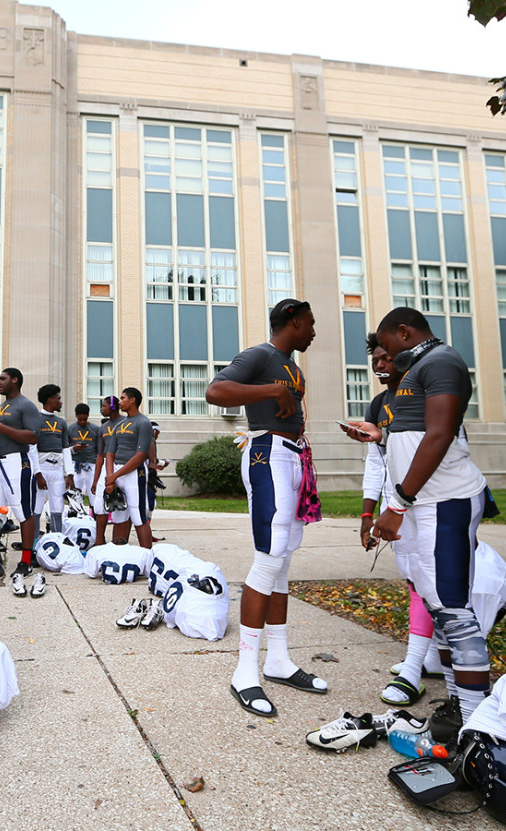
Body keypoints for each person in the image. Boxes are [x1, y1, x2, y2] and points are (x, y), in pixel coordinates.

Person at [344, 307, 491, 730]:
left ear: (405, 333)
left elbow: (441, 434)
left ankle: (479, 726)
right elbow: (413, 435)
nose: (384, 358)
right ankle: (461, 708)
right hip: (421, 505)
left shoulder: (443, 360)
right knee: (438, 608)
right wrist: (380, 435)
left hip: (443, 502)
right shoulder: (419, 370)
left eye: (387, 347)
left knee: (454, 612)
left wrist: (398, 503)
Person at [205, 298, 324, 718]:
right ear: (291, 321)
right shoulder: (261, 354)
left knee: (283, 561)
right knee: (268, 559)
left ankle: (278, 660)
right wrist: (272, 389)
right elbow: (215, 391)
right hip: (266, 454)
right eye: (309, 323)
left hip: (291, 455)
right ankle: (244, 671)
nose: (314, 330)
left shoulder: (291, 364)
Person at [353, 334, 442, 706]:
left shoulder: (425, 392)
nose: (380, 365)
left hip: (431, 501)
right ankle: (429, 655)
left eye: (387, 358)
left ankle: (413, 669)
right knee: (413, 577)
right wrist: (367, 511)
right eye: (376, 359)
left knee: (431, 578)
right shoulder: (379, 403)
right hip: (397, 505)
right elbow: (377, 463)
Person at [0, 367, 43, 598]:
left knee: (22, 511)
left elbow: (33, 436)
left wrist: (3, 429)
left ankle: (27, 559)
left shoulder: (25, 405)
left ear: (15, 380)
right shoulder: (1, 406)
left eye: (3, 379)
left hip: (16, 462)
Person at [103, 388, 155, 549]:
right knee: (118, 515)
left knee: (138, 515)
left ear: (133, 400)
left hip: (135, 472)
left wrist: (114, 475)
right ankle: (118, 555)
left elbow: (140, 455)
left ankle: (147, 557)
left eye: (123, 398)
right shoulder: (119, 425)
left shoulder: (143, 423)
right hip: (117, 473)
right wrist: (110, 477)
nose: (120, 401)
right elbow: (109, 454)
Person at [33, 384, 76, 534]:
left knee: (58, 506)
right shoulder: (35, 419)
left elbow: (65, 449)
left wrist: (70, 474)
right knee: (37, 507)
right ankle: (33, 544)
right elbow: (31, 449)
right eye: (58, 399)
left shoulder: (62, 422)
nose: (61, 402)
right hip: (41, 467)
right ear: (51, 400)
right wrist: (37, 474)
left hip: (57, 469)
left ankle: (58, 539)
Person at [90, 395, 119, 547]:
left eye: (104, 405)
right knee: (99, 505)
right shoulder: (103, 427)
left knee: (122, 505)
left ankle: (119, 541)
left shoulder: (124, 423)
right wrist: (95, 480)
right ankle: (99, 541)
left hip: (121, 465)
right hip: (105, 468)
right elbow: (100, 455)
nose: (101, 408)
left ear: (112, 406)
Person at [70, 403, 100, 511]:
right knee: (75, 495)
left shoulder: (95, 429)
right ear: (76, 416)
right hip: (76, 465)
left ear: (88, 415)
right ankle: (76, 516)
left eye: (84, 419)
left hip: (91, 465)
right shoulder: (71, 429)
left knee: (94, 495)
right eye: (80, 420)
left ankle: (95, 515)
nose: (82, 422)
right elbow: (66, 450)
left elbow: (99, 449)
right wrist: (74, 448)